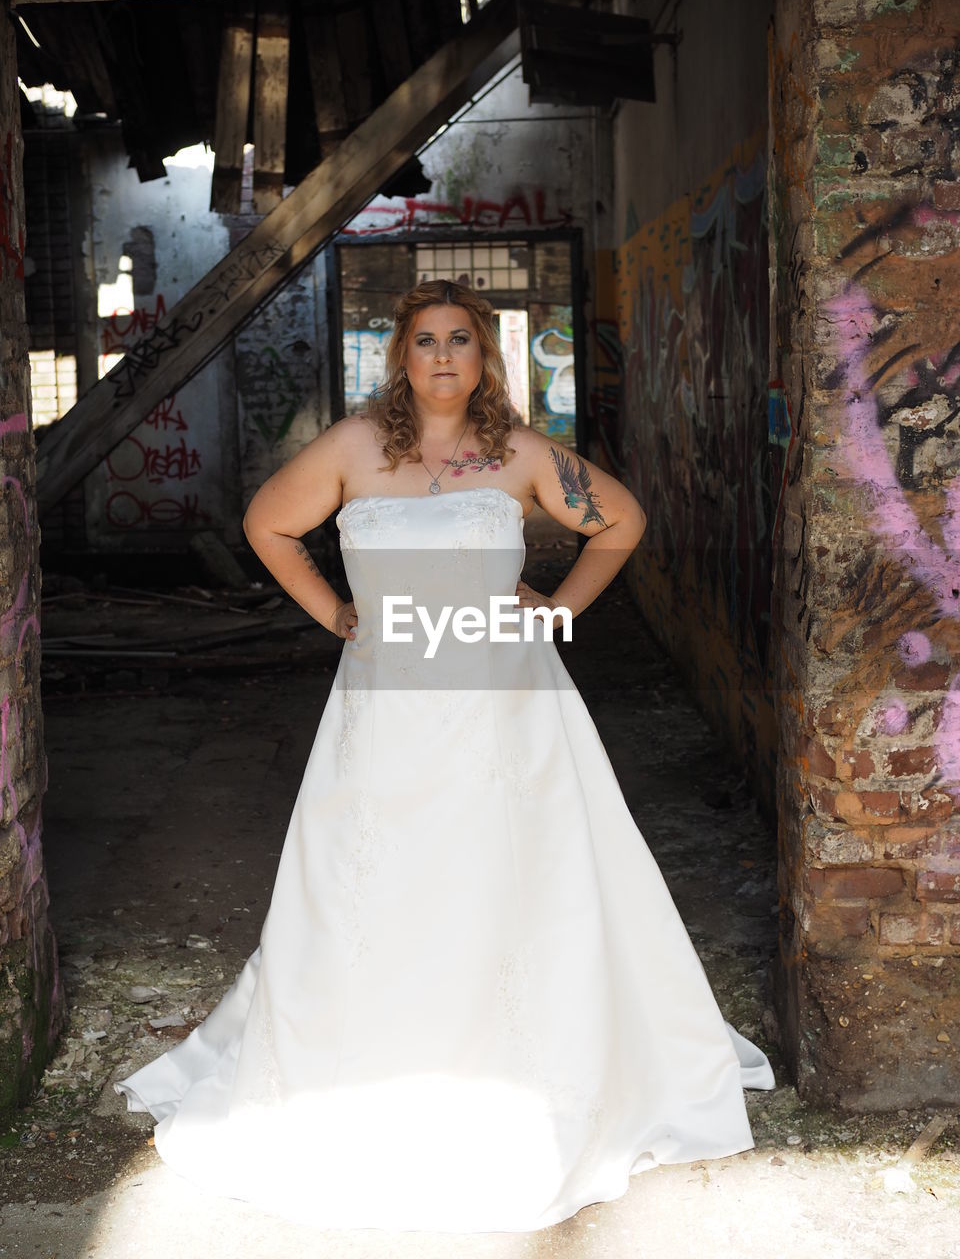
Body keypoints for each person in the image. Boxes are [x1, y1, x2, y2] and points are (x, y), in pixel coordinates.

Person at [113, 278, 775, 1233]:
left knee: (507, 869)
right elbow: (268, 524)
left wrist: (561, 609)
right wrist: (336, 613)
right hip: (385, 703)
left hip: (507, 698)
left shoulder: (518, 454)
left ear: (485, 357)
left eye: (461, 340)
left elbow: (619, 520)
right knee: (376, 874)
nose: (442, 357)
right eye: (424, 341)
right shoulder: (351, 448)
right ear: (401, 357)